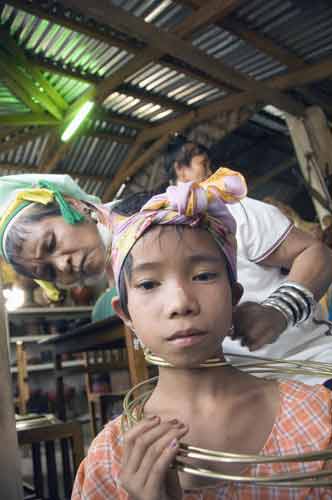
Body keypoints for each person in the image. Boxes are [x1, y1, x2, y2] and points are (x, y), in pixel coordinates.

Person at [72, 169, 332, 500]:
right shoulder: (109, 460)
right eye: (149, 284)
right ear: (126, 314)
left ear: (234, 296)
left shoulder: (318, 416)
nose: (180, 303)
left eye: (205, 275)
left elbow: (316, 253)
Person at [164, 135, 332, 385]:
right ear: (181, 168)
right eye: (204, 164)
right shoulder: (156, 234)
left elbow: (317, 254)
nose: (212, 172)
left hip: (311, 370)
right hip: (241, 398)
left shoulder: (236, 210)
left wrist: (279, 310)